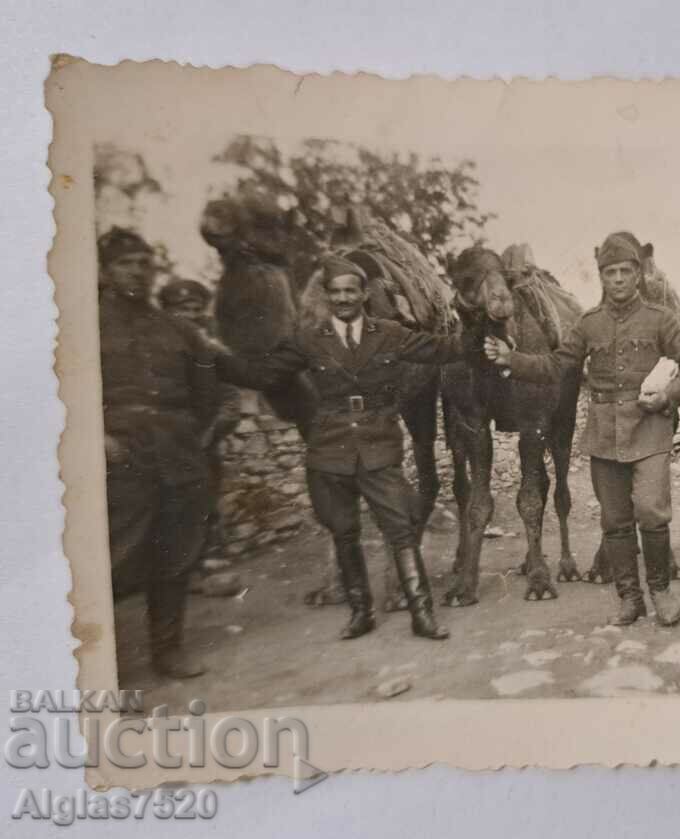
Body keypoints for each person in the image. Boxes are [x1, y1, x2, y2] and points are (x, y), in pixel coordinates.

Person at [216, 254, 466, 642]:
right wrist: (209, 356)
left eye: (351, 291)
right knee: (344, 532)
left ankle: (422, 615)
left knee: (400, 528)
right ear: (327, 296)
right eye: (336, 292)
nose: (344, 299)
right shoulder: (309, 340)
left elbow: (443, 349)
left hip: (379, 445)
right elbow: (261, 374)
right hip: (330, 448)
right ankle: (360, 613)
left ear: (364, 294)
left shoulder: (389, 333)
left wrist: (484, 331)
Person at [484, 231, 680, 626]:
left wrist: (670, 396)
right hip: (604, 434)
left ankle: (661, 592)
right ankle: (629, 597)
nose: (617, 279)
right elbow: (554, 365)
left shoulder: (661, 320)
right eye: (609, 272)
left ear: (638, 274)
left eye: (624, 271)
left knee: (652, 512)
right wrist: (512, 359)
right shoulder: (588, 324)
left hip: (650, 430)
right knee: (615, 519)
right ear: (601, 277)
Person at [98, 229, 220, 680]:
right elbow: (62, 393)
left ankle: (167, 652)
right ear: (105, 271)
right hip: (119, 454)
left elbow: (206, 395)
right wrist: (97, 439)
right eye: (126, 263)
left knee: (176, 554)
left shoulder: (178, 329)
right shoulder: (82, 323)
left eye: (144, 263)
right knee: (114, 557)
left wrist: (189, 435)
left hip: (177, 451)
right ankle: (94, 665)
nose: (137, 271)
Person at [158, 279, 242, 560]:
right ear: (167, 311)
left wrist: (211, 431)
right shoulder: (155, 345)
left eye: (196, 309)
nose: (191, 315)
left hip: (202, 438)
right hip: (162, 438)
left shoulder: (211, 349)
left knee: (204, 497)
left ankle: (207, 555)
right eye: (183, 309)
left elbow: (230, 397)